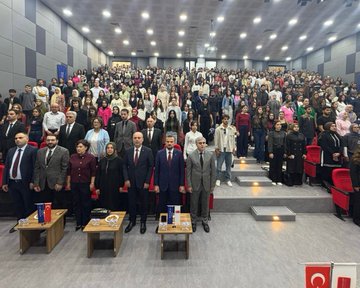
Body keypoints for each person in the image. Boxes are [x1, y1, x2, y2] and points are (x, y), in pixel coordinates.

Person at [2, 132, 37, 233]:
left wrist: (33, 181)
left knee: (28, 204)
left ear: (27, 139)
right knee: (17, 204)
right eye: (16, 138)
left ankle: (30, 226)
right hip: (13, 183)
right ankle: (19, 223)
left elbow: (36, 167)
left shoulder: (33, 150)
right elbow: (7, 166)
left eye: (20, 138)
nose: (17, 140)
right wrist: (5, 182)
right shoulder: (11, 151)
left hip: (25, 183)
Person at [123, 132, 154, 234]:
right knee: (131, 202)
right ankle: (132, 221)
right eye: (135, 138)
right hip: (131, 182)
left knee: (144, 203)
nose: (137, 139)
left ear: (142, 139)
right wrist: (126, 179)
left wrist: (147, 181)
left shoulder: (148, 151)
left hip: (143, 182)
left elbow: (150, 167)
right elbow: (124, 166)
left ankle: (143, 222)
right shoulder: (128, 151)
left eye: (139, 138)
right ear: (132, 139)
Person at [154, 135, 185, 229]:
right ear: (165, 142)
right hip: (162, 184)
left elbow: (181, 171)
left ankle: (174, 223)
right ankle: (162, 224)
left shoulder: (179, 153)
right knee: (162, 205)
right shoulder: (159, 153)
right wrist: (156, 184)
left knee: (175, 204)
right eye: (168, 141)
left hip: (175, 185)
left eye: (171, 141)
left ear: (174, 142)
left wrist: (182, 184)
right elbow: (157, 170)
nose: (169, 143)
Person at [186, 136, 216, 233]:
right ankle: (193, 221)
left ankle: (205, 221)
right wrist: (189, 185)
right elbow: (188, 172)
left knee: (205, 204)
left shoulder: (210, 155)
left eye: (204, 143)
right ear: (196, 144)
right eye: (200, 143)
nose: (202, 145)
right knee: (194, 204)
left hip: (206, 184)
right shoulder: (191, 155)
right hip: (195, 184)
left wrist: (212, 185)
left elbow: (213, 172)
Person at [67, 140, 96, 231]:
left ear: (86, 148)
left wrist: (92, 183)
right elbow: (69, 172)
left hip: (85, 183)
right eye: (77, 147)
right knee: (76, 202)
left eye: (80, 147)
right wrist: (68, 183)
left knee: (85, 203)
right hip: (74, 182)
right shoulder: (72, 157)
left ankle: (85, 222)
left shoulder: (91, 158)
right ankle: (78, 222)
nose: (78, 149)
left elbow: (93, 173)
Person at [33, 135, 69, 204]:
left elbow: (64, 169)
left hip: (56, 183)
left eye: (52, 140)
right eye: (48, 140)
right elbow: (37, 168)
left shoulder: (64, 151)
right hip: (43, 183)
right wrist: (36, 183)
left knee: (58, 206)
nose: (50, 142)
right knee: (46, 206)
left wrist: (60, 182)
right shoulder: (40, 151)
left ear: (57, 141)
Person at [95, 142, 125, 211]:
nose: (109, 149)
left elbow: (121, 174)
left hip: (114, 187)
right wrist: (97, 187)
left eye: (111, 148)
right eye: (108, 148)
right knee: (104, 205)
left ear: (114, 149)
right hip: (103, 187)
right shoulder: (102, 161)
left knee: (114, 204)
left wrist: (121, 185)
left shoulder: (119, 160)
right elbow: (98, 174)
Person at [214, 114, 236, 187]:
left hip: (229, 149)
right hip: (221, 149)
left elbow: (233, 140)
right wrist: (216, 148)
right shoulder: (218, 129)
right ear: (222, 120)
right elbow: (216, 139)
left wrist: (233, 148)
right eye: (224, 119)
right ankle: (218, 179)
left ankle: (228, 179)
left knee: (228, 166)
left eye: (227, 119)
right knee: (219, 165)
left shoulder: (231, 129)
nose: (226, 120)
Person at [268, 121, 287, 185]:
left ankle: (279, 180)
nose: (279, 126)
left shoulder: (284, 133)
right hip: (274, 149)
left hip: (281, 150)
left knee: (280, 165)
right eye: (277, 124)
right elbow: (270, 143)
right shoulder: (271, 133)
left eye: (280, 125)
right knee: (273, 165)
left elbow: (285, 143)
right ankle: (273, 179)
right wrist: (270, 152)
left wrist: (285, 152)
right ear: (275, 126)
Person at [350, 147, 360, 226]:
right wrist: (355, 185)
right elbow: (353, 173)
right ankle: (356, 219)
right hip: (358, 184)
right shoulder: (355, 159)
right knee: (358, 202)